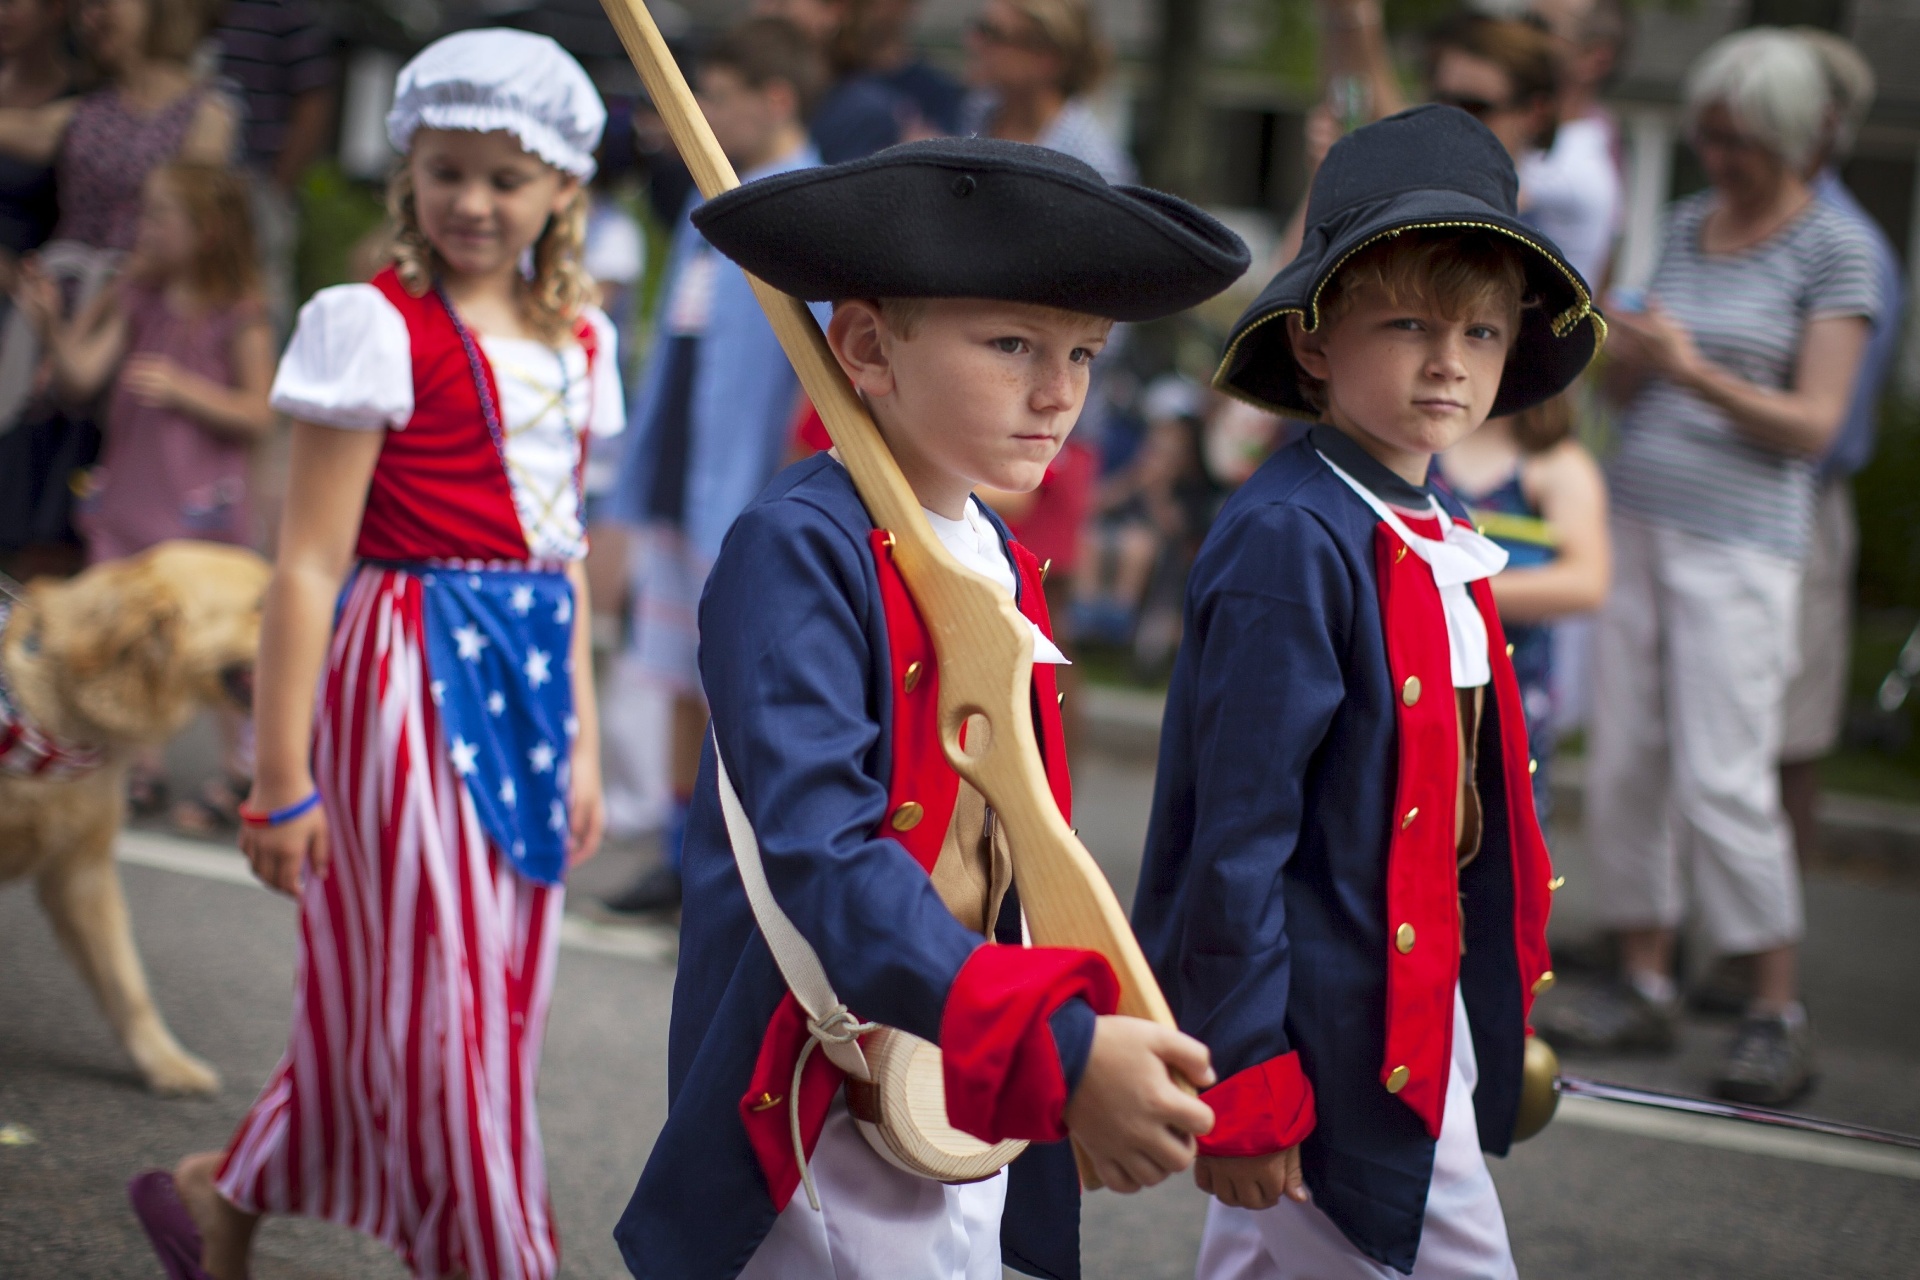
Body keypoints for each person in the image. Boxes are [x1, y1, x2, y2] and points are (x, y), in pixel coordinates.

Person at [612, 135, 1248, 1280]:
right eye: (1011, 343)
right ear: (864, 344)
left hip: (966, 1081)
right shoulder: (798, 548)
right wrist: (1056, 1045)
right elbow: (827, 857)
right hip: (817, 1105)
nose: (1058, 390)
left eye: (1084, 353)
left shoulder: (996, 552)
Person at [125, 30, 620, 1280]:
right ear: (411, 170)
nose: (472, 202)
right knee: (446, 1002)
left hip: (531, 681)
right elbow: (304, 565)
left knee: (460, 990)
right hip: (402, 664)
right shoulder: (372, 325)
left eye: (507, 179)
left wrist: (588, 748)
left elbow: (563, 566)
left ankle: (221, 1193)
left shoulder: (585, 345)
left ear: (564, 187)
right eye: (446, 171)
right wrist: (278, 775)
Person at [1135, 104, 1602, 1279]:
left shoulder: (1439, 522)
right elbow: (1237, 837)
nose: (1450, 359)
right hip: (1328, 1030)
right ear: (1312, 343)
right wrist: (1243, 1069)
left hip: (1404, 1003)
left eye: (1484, 332)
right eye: (1408, 321)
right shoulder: (1293, 536)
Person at [1538, 29, 1881, 1107]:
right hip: (1641, 515)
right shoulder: (1688, 225)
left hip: (1744, 540)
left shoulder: (1838, 251)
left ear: (1787, 135)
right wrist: (1633, 364)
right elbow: (1641, 385)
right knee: (1631, 752)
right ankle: (1644, 972)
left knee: (1725, 770)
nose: (1719, 155)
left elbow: (1817, 423)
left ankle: (1770, 1001)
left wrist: (1693, 370)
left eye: (1738, 139)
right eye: (1710, 134)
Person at [599, 16, 825, 915]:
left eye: (720, 98)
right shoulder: (716, 201)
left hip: (744, 488)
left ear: (776, 100)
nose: (706, 116)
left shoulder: (803, 210)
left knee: (736, 676)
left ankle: (738, 865)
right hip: (679, 481)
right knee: (677, 667)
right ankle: (681, 845)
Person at [19, 162, 274, 835]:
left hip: (201, 515)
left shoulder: (238, 312)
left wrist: (187, 390)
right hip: (129, 501)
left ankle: (245, 767)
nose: (144, 229)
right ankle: (143, 765)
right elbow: (78, 378)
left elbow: (260, 411)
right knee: (134, 637)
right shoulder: (135, 295)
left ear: (209, 230)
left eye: (162, 216)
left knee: (223, 646)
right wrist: (50, 326)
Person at [1776, 28, 1905, 870]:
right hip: (1744, 507)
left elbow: (1822, 424)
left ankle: (1758, 962)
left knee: (1789, 738)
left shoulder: (1845, 247)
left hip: (1794, 510)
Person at [1435, 392, 1608, 819]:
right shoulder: (1413, 448)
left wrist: (1447, 588)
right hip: (1411, 675)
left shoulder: (1555, 464)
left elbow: (1587, 582)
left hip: (1510, 688)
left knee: (1502, 828)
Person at [209, 0, 337, 332]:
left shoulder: (288, 13)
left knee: (261, 295)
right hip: (204, 185)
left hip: (259, 181)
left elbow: (315, 102)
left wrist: (279, 184)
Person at [960, 0, 1133, 185]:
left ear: (1048, 58)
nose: (972, 41)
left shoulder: (1091, 164)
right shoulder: (976, 111)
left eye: (992, 32)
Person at [1522, 0, 1627, 289]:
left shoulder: (1586, 149)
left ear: (1595, 58)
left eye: (1539, 27)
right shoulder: (1594, 137)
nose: (1517, 38)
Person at [754, 0, 910, 163]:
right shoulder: (747, 92)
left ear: (833, 10)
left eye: (781, 4)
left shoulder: (864, 114)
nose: (762, 13)